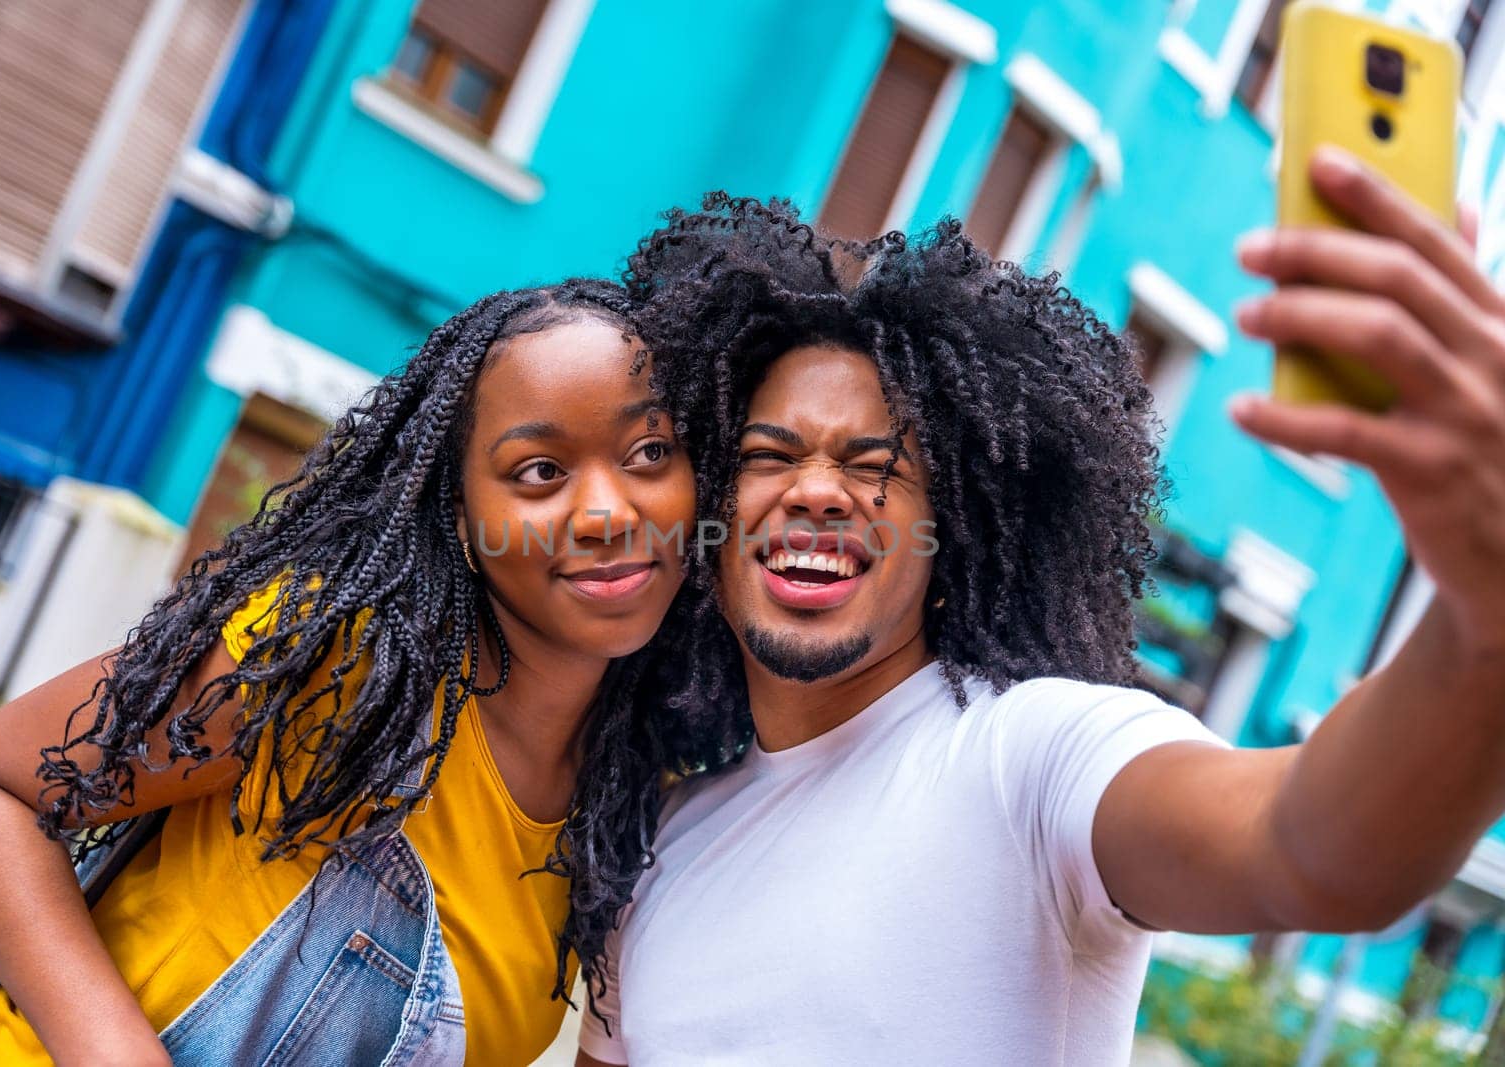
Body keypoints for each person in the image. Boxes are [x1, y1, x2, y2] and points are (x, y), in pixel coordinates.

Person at [577, 152, 1505, 1066]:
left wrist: (1485, 614)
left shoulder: (1035, 756)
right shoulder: (661, 846)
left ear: (955, 537)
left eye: (876, 467)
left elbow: (1312, 849)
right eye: (771, 456)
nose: (817, 491)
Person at [0, 279, 737, 1067]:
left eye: (649, 451)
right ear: (459, 510)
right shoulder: (339, 659)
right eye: (540, 472)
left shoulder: (630, 799)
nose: (607, 512)